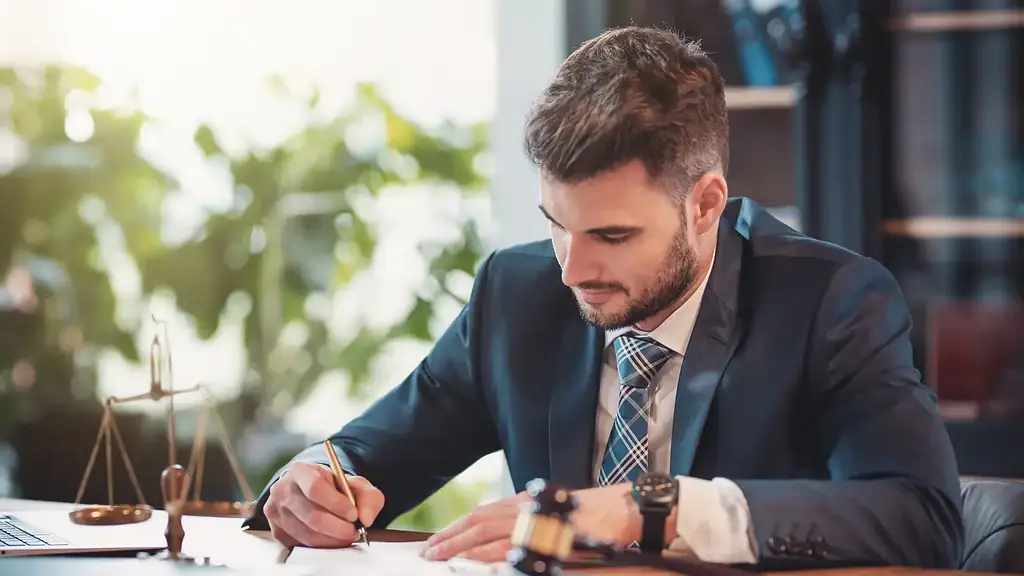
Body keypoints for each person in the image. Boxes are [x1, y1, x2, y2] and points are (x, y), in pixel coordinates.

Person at [243, 26, 963, 570]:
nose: (572, 270)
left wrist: (652, 510)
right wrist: (315, 485)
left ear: (705, 204)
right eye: (557, 226)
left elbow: (922, 516)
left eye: (612, 235)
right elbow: (363, 456)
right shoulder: (516, 295)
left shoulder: (830, 302)